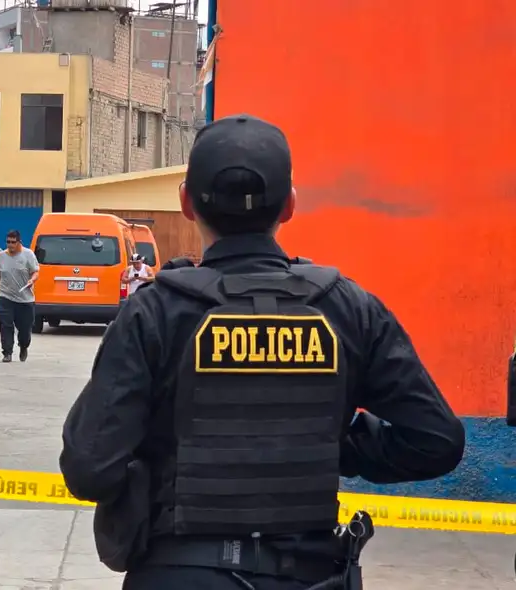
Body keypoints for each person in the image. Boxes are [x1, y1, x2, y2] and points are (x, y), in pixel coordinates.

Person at [59, 114, 466, 589]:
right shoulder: (349, 309)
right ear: (290, 204)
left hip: (178, 573)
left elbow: (89, 469)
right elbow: (436, 441)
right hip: (308, 576)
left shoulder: (155, 313)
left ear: (187, 202)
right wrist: (331, 444)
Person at [0, 229, 40, 363]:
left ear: (19, 242)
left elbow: (35, 272)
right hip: (5, 297)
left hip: (25, 300)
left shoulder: (28, 255)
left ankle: (23, 346)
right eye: (8, 242)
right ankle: (7, 352)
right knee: (5, 325)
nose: (10, 245)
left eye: (13, 242)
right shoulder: (2, 256)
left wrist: (32, 280)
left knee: (25, 330)